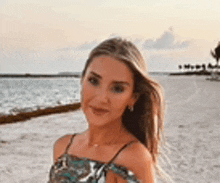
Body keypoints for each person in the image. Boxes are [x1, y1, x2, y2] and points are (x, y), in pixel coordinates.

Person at [48, 37, 165, 183]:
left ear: (133, 97)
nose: (102, 98)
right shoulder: (63, 147)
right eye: (94, 81)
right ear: (82, 79)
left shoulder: (133, 157)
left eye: (117, 88)